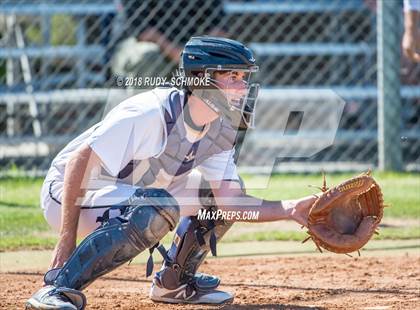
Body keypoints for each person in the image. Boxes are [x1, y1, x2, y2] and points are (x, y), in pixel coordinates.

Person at [26, 36, 316, 309]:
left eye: (243, 78)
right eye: (232, 77)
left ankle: (173, 284)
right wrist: (66, 239)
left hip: (131, 196)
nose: (242, 87)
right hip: (68, 194)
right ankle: (57, 286)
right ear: (201, 79)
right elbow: (79, 161)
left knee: (209, 196)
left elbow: (230, 202)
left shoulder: (221, 129)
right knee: (155, 206)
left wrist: (291, 209)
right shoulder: (152, 112)